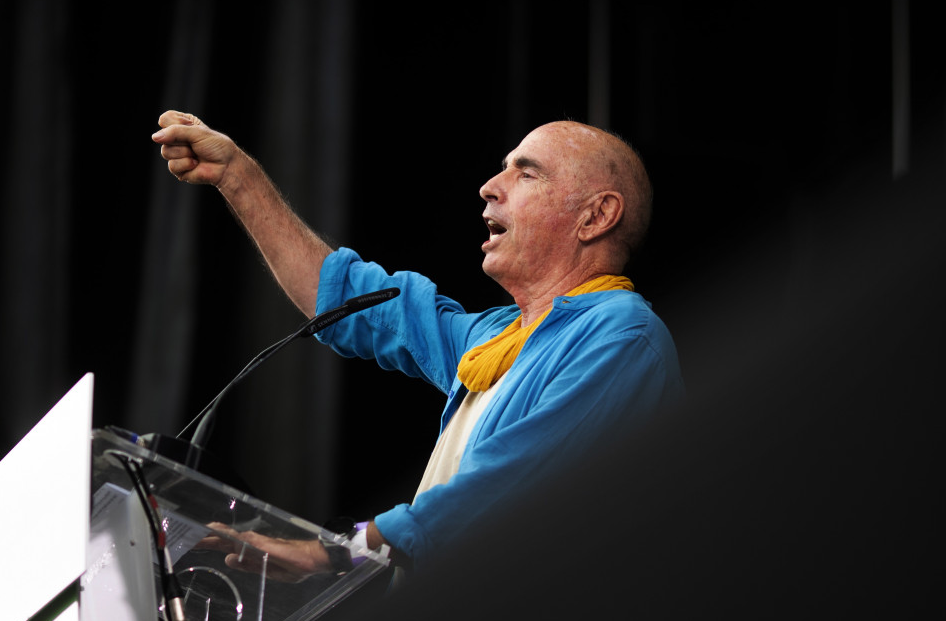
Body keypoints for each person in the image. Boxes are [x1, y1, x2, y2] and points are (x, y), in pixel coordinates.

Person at [151, 111, 684, 579]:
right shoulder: (494, 340)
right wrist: (237, 176)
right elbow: (345, 299)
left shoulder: (622, 335)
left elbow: (507, 483)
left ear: (595, 217)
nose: (491, 186)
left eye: (526, 172)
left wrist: (335, 553)